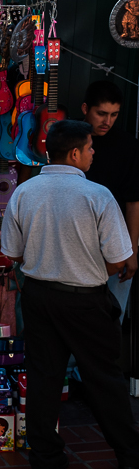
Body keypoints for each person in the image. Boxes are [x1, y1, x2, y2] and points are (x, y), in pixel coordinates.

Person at [1, 120, 139, 469]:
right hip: (84, 300)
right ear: (75, 153)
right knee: (105, 379)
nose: (94, 154)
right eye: (91, 148)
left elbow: (12, 252)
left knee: (44, 379)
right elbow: (119, 259)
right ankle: (129, 458)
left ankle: (45, 461)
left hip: (39, 297)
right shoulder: (98, 195)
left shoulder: (24, 193)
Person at [81, 80, 139, 319]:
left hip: (114, 241)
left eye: (114, 114)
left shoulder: (127, 146)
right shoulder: (66, 139)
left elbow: (133, 202)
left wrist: (132, 251)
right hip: (72, 236)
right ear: (86, 109)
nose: (107, 121)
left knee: (109, 319)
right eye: (101, 113)